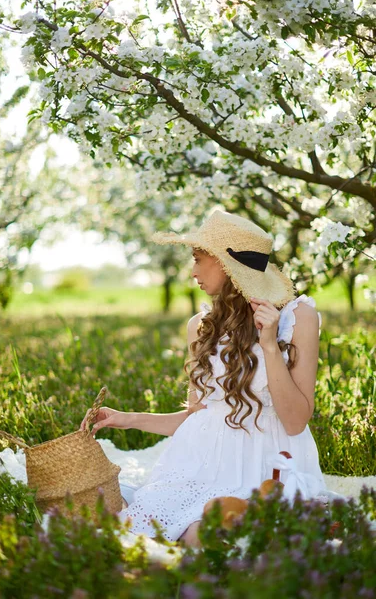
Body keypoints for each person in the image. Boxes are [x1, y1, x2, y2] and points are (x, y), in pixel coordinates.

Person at [80, 209, 328, 547]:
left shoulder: (297, 318)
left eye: (198, 259)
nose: (192, 271)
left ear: (228, 266)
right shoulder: (201, 327)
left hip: (267, 463)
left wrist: (269, 346)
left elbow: (296, 421)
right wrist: (128, 419)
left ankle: (234, 519)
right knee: (146, 524)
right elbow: (199, 418)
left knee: (211, 535)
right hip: (201, 464)